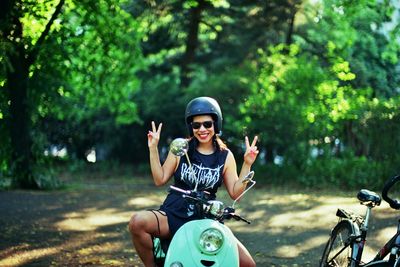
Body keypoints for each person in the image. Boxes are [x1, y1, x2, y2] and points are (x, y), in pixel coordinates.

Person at [129, 96, 259, 267]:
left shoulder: (225, 156)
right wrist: (153, 148)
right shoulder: (181, 148)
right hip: (175, 212)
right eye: (196, 125)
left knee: (248, 264)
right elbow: (160, 179)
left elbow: (236, 193)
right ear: (191, 127)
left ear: (216, 124)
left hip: (207, 217)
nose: (202, 129)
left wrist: (247, 163)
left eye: (207, 124)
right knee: (137, 222)